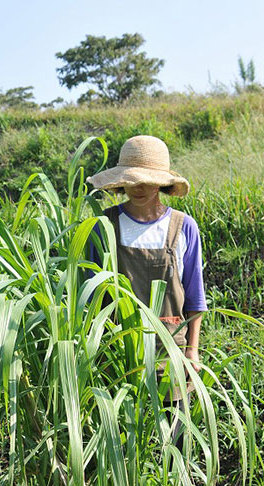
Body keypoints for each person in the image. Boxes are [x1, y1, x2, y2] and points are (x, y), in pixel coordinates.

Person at [86, 135, 207, 393]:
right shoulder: (103, 225)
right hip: (116, 357)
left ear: (161, 183)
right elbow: (90, 298)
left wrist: (192, 351)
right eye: (132, 180)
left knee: (174, 431)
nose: (138, 188)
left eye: (147, 181)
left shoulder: (184, 226)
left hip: (170, 354)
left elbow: (195, 297)